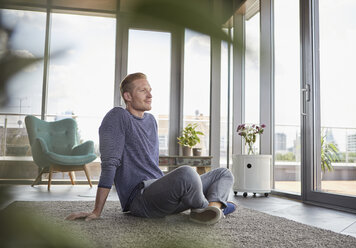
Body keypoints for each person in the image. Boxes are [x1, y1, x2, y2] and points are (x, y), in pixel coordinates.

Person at [66, 72, 236, 224]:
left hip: (162, 192)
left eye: (150, 90)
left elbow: (151, 163)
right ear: (128, 96)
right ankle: (209, 207)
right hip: (140, 199)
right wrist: (97, 211)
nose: (150, 95)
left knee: (223, 173)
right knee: (187, 173)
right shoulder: (117, 116)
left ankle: (212, 210)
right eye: (143, 91)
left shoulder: (151, 120)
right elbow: (110, 164)